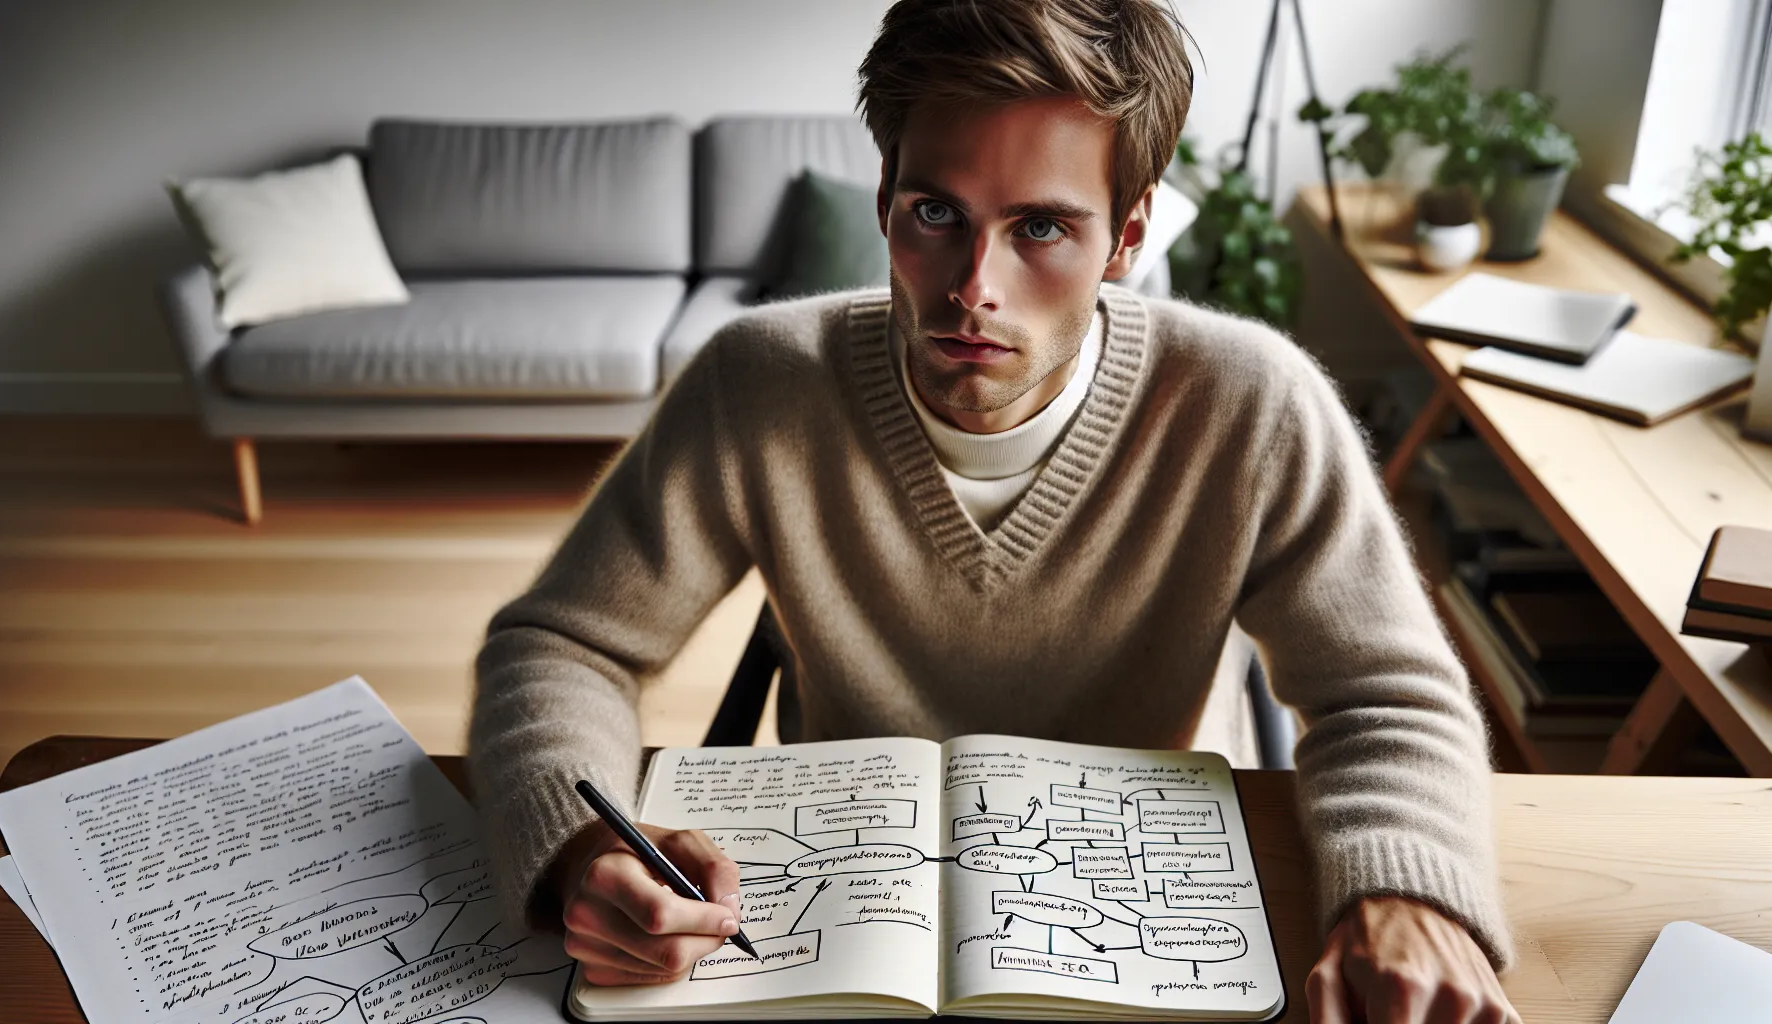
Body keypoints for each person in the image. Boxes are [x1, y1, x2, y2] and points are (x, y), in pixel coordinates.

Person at [468, 1, 1518, 1020]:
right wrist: (582, 845)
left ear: (1127, 234)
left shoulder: (1254, 404)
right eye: (937, 215)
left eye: (1043, 228)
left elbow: (1385, 693)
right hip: (830, 922)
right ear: (883, 198)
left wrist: (1410, 889)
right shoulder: (759, 383)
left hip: (1139, 920)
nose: (975, 286)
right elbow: (561, 645)